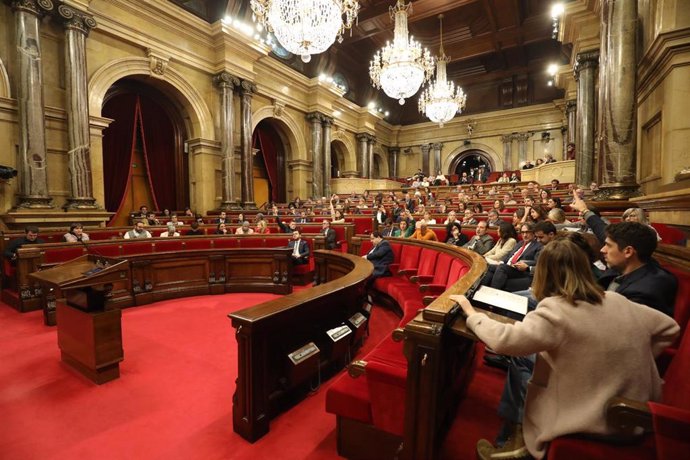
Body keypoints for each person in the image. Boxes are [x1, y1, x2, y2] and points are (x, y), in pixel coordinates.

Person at [450, 238, 679, 460]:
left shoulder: (557, 309)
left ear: (544, 272)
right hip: (636, 415)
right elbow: (669, 329)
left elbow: (505, 341)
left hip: (602, 417)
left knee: (526, 360)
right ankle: (513, 436)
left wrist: (471, 313)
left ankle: (519, 445)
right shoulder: (615, 298)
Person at [570, 195, 677, 316]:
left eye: (608, 245)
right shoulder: (627, 264)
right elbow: (600, 229)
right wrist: (584, 210)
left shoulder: (645, 292)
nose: (602, 250)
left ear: (628, 252)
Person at [480, 222, 542, 292]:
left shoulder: (538, 245)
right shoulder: (520, 243)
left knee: (502, 267)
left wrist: (526, 265)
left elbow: (537, 262)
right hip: (508, 267)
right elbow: (509, 255)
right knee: (489, 266)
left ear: (533, 233)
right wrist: (502, 261)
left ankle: (492, 294)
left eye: (527, 232)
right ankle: (480, 292)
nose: (524, 235)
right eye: (522, 232)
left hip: (520, 271)